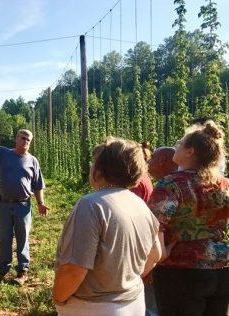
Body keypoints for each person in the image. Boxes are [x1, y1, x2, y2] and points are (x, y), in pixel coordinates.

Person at [53, 137, 161, 316]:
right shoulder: (140, 205)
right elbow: (155, 255)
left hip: (94, 307)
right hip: (133, 302)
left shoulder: (91, 205)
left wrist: (58, 297)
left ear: (100, 170)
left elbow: (74, 269)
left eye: (93, 162)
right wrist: (124, 280)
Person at [148, 121, 229, 316]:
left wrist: (160, 255)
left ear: (190, 152)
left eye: (180, 143)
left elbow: (152, 225)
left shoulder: (171, 184)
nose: (176, 145)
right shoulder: (224, 184)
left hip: (181, 272)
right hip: (222, 270)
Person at [0, 114, 48, 285]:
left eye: (28, 140)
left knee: (23, 238)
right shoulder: (3, 154)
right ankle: (2, 269)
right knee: (4, 237)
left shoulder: (33, 161)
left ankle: (23, 271)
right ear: (16, 139)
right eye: (23, 138)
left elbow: (38, 185)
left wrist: (41, 203)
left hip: (23, 205)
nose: (25, 141)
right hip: (4, 204)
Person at [143, 146, 178, 316]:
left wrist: (150, 264)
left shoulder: (167, 187)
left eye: (151, 159)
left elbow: (154, 227)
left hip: (169, 264)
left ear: (162, 161)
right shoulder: (215, 182)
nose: (148, 163)